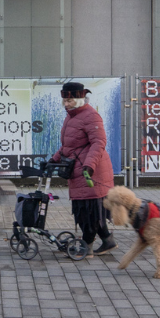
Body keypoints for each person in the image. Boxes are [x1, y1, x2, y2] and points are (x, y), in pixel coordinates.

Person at [51, 81, 116, 256]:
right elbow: (69, 146)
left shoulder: (91, 116)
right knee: (89, 210)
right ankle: (108, 240)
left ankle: (86, 246)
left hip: (91, 171)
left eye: (69, 101)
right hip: (79, 170)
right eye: (64, 101)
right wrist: (53, 159)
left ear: (79, 99)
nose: (66, 104)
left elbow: (99, 142)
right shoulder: (71, 116)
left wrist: (89, 165)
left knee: (89, 211)